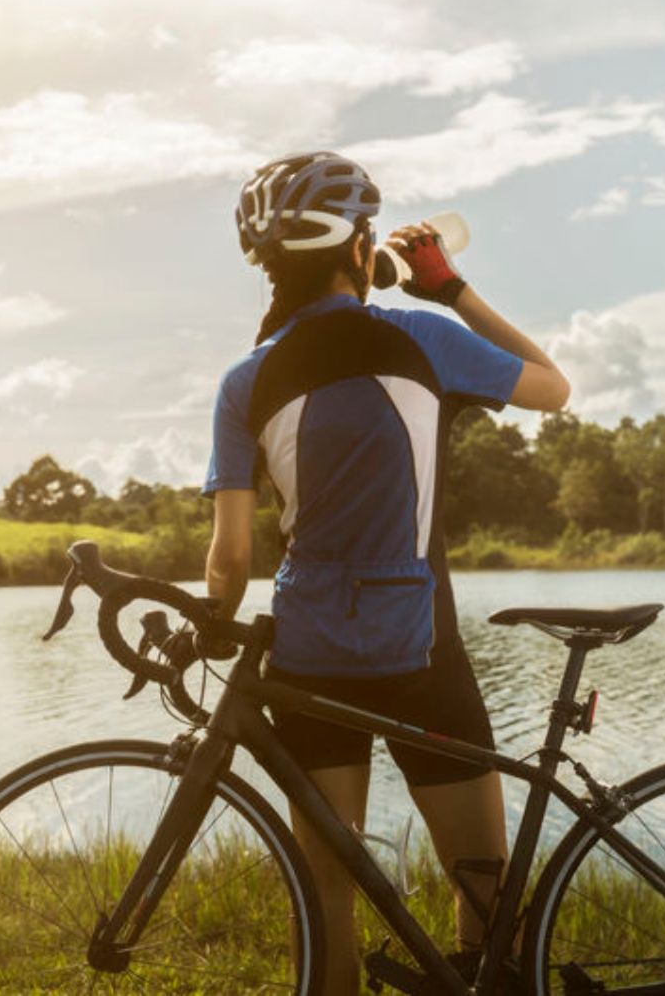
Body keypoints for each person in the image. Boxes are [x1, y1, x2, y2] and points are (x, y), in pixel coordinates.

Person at [201, 151, 570, 995]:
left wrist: (208, 617)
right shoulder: (423, 338)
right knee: (483, 886)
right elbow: (555, 388)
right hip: (421, 655)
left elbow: (230, 559)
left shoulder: (245, 381)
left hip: (309, 656)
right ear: (360, 245)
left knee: (328, 900)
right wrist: (448, 288)